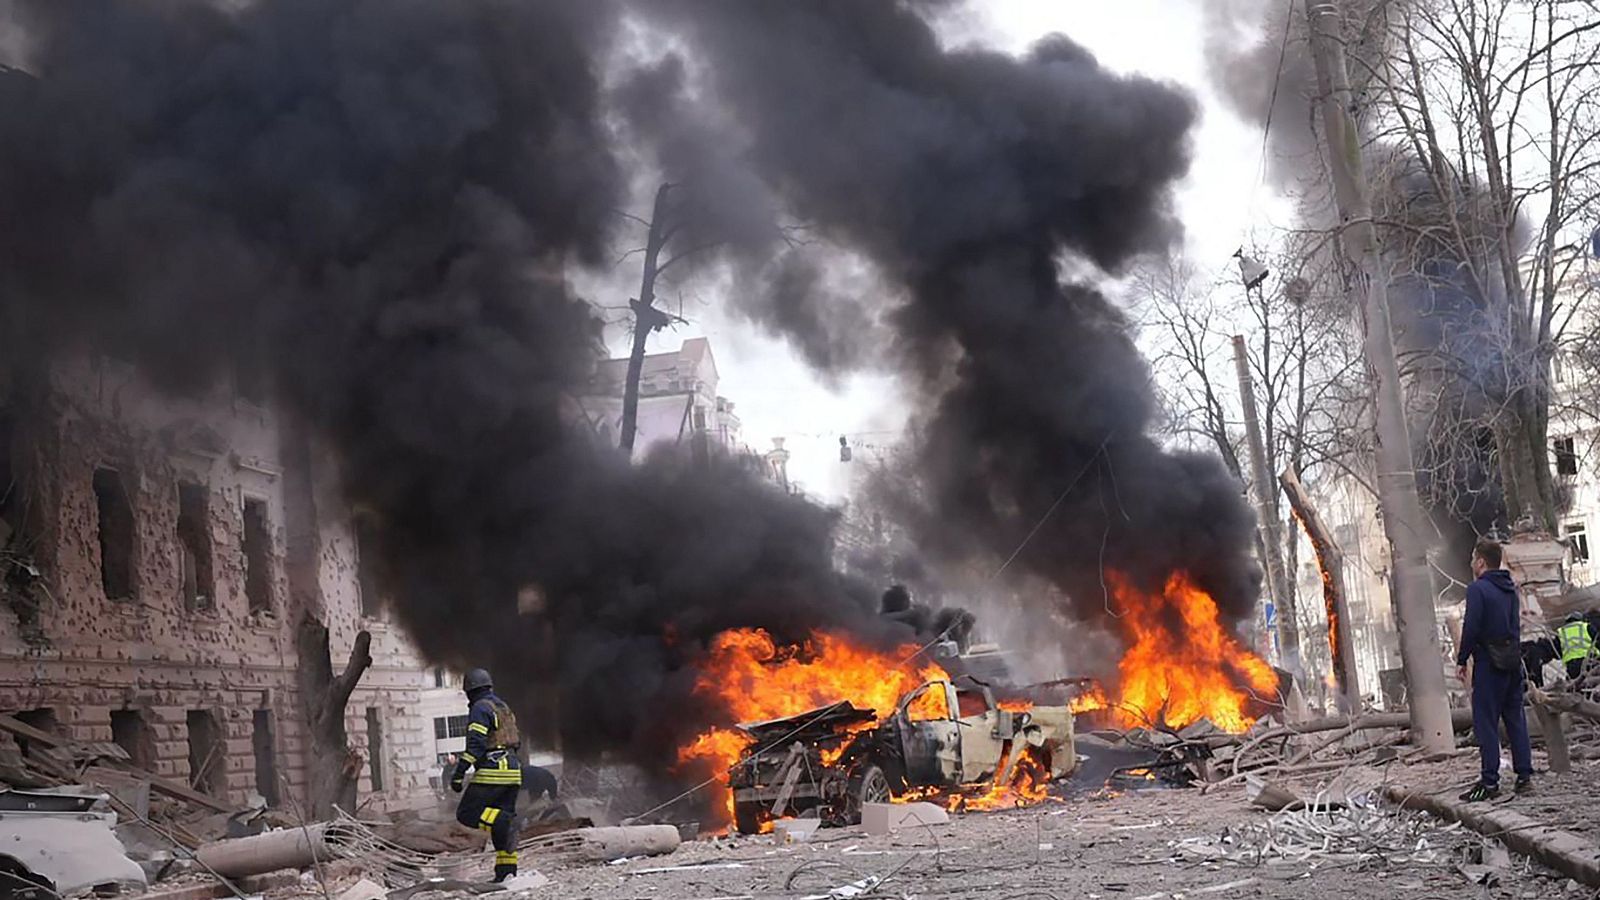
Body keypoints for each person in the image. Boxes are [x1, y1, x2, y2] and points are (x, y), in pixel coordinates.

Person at [1454, 539, 1534, 801]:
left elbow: (1471, 626)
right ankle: (1524, 777)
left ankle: (1490, 782)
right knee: (1515, 719)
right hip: (1512, 661)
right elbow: (1515, 626)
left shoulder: (1478, 589)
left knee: (1486, 723)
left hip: (1489, 664)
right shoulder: (1511, 589)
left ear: (1480, 562)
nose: (1471, 563)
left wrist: (1462, 659)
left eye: (1472, 558)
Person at [450, 668, 523, 881]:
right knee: (500, 826)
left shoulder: (480, 708)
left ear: (469, 691)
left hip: (493, 771)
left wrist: (458, 773)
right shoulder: (503, 708)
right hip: (513, 770)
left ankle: (507, 823)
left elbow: (476, 745)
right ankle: (506, 874)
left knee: (467, 813)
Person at [1558, 612, 1597, 681]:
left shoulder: (1561, 632)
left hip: (1572, 666)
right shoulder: (1586, 627)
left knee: (1576, 684)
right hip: (1589, 661)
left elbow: (1557, 650)